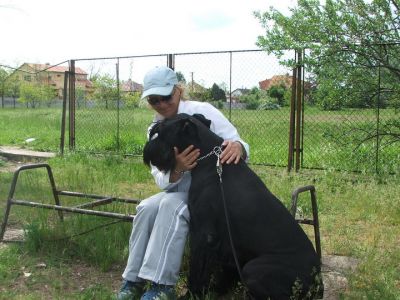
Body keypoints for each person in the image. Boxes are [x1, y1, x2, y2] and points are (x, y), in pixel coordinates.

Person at [117, 66, 249, 300]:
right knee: (146, 207)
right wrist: (177, 169)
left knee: (172, 207)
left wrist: (238, 146)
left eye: (166, 97)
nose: (161, 104)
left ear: (178, 90)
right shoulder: (155, 129)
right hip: (179, 189)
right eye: (153, 100)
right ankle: (133, 279)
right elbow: (160, 178)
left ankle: (161, 286)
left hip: (212, 194)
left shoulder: (202, 112)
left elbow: (237, 142)